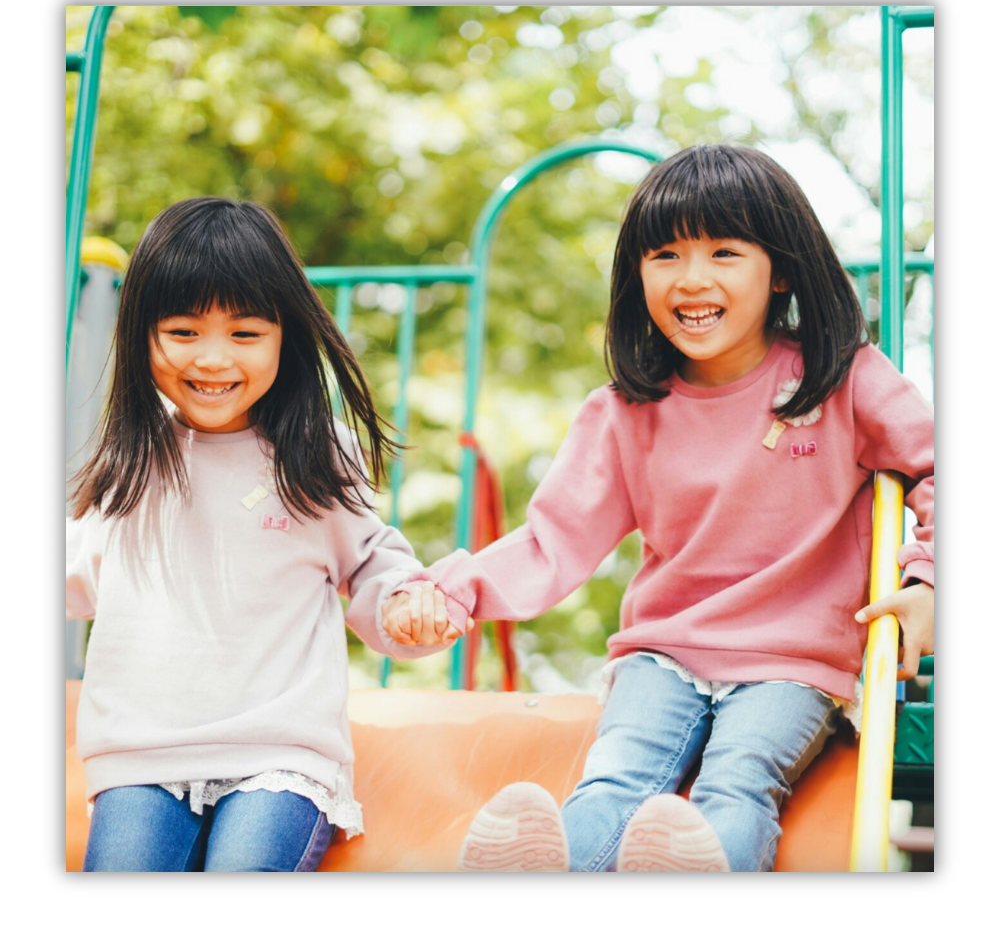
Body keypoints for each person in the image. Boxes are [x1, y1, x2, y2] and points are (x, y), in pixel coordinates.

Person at [381, 144, 934, 872]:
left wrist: (928, 583)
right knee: (614, 780)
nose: (692, 279)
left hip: (791, 660)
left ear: (783, 270)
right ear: (636, 273)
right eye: (665, 254)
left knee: (738, 780)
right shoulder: (625, 411)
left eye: (725, 253)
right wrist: (453, 591)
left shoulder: (843, 381)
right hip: (664, 654)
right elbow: (553, 541)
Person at [67, 197, 464, 872]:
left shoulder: (312, 454)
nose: (214, 359)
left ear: (286, 336)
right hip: (141, 755)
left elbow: (373, 567)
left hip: (278, 758)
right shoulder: (129, 461)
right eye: (184, 333)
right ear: (142, 336)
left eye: (245, 335)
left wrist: (406, 605)